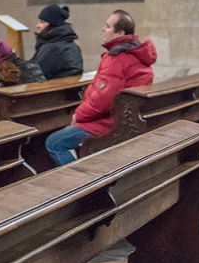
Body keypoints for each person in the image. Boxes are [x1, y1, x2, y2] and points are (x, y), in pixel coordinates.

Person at [44, 10, 156, 166]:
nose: (103, 29)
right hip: (127, 121)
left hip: (110, 124)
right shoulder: (137, 55)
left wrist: (79, 115)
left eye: (108, 26)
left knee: (55, 143)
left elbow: (103, 100)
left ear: (120, 33)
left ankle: (80, 185)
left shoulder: (117, 59)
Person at [29, 4, 84, 80]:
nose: (38, 25)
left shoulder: (53, 47)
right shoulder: (68, 43)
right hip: (66, 88)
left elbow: (34, 74)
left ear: (52, 24)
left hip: (55, 90)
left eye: (42, 22)